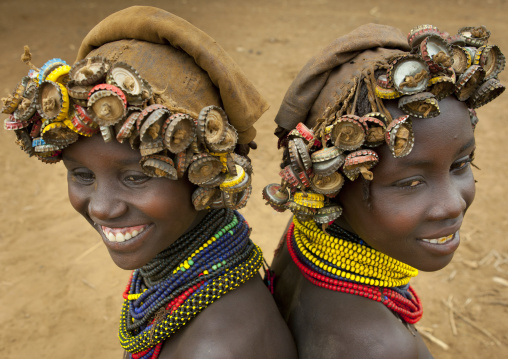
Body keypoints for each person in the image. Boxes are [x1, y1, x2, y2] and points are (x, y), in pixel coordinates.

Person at [2, 6, 297, 359]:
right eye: (82, 175)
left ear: (206, 175)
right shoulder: (177, 269)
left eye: (135, 177)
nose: (101, 206)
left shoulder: (218, 348)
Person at [262, 23, 505, 358]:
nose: (451, 205)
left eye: (460, 164)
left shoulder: (309, 239)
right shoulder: (376, 347)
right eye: (410, 183)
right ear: (330, 186)